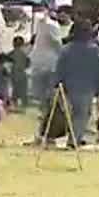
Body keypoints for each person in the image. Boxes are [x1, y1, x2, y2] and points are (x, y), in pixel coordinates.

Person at [52, 22, 99, 147]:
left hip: (67, 87)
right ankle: (74, 140)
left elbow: (59, 69)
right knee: (82, 114)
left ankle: (74, 137)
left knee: (72, 114)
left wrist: (56, 85)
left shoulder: (65, 50)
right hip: (86, 87)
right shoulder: (94, 50)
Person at [31, 8, 66, 138]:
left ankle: (42, 132)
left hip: (38, 66)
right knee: (50, 102)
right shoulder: (52, 26)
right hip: (50, 67)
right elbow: (58, 45)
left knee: (42, 103)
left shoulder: (40, 24)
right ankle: (46, 132)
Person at [8, 35, 31, 111]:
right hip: (22, 76)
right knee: (23, 95)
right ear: (23, 44)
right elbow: (28, 65)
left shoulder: (9, 54)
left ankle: (14, 107)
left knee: (14, 95)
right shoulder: (25, 55)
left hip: (13, 76)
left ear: (13, 44)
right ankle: (24, 109)